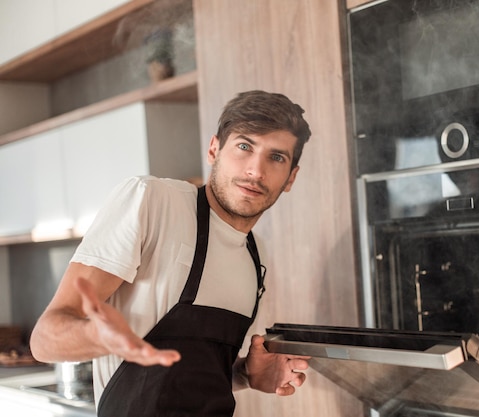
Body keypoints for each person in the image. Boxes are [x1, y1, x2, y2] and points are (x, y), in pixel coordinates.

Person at [30, 90, 312, 416]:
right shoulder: (152, 202)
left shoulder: (256, 254)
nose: (255, 170)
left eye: (276, 157)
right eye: (244, 146)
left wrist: (247, 373)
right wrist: (101, 337)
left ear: (291, 177)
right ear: (214, 149)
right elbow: (44, 341)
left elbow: (197, 371)